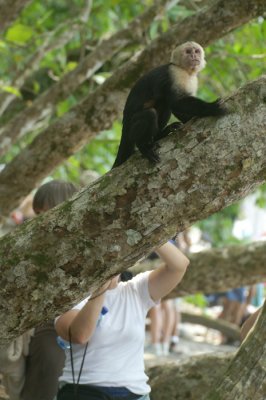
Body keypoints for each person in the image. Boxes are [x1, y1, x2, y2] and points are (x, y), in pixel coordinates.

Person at [55, 241, 190, 400]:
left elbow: (179, 265)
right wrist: (102, 284)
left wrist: (150, 230)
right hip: (85, 389)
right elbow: (81, 335)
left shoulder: (136, 289)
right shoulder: (70, 298)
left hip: (134, 392)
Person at [20, 180, 78, 400]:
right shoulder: (30, 241)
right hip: (47, 323)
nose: (41, 218)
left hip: (85, 319)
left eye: (47, 210)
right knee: (48, 361)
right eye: (38, 213)